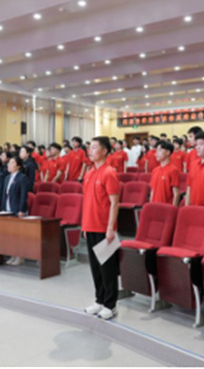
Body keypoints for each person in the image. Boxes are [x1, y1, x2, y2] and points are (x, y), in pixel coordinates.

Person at [82, 136, 120, 321]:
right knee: (96, 268)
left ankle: (111, 305)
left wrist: (111, 227)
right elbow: (88, 201)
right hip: (90, 226)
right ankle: (99, 300)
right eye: (90, 147)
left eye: (94, 147)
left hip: (104, 228)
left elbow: (114, 203)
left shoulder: (109, 172)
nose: (90, 151)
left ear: (104, 151)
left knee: (108, 269)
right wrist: (84, 225)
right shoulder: (89, 173)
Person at [150, 140, 181, 206]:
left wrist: (173, 210)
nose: (156, 153)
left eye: (159, 150)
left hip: (166, 207)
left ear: (168, 152)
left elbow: (176, 194)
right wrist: (150, 206)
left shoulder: (173, 170)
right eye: (156, 150)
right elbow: (152, 191)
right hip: (154, 206)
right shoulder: (155, 170)